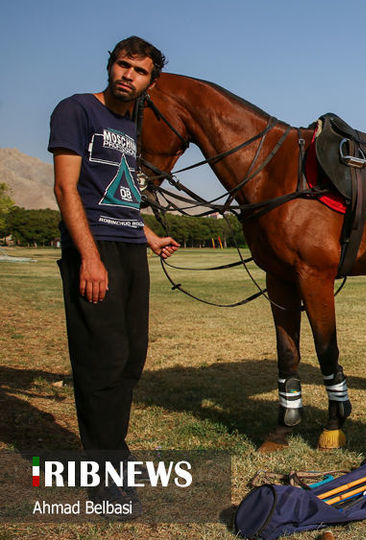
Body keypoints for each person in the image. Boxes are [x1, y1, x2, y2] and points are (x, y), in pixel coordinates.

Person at [49, 36, 179, 516]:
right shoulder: (77, 110)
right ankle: (105, 476)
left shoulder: (130, 127)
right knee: (101, 360)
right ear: (110, 66)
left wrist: (148, 236)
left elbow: (118, 194)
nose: (129, 75)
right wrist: (88, 257)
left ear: (150, 81)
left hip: (129, 249)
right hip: (95, 250)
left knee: (130, 358)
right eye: (123, 65)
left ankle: (112, 455)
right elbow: (67, 187)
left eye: (140, 70)